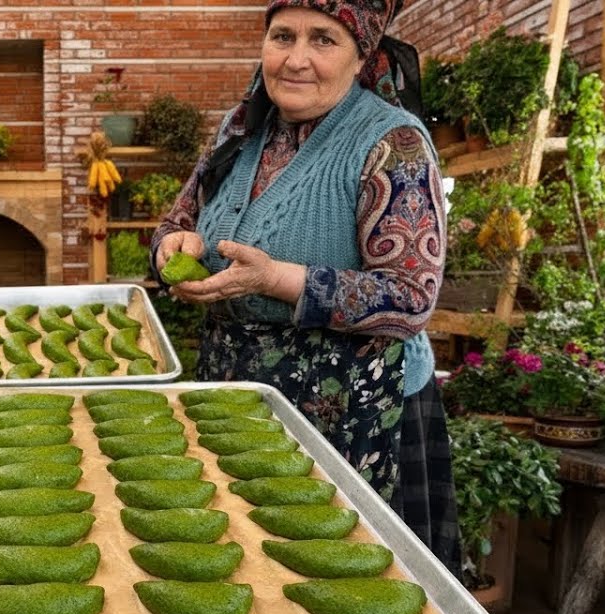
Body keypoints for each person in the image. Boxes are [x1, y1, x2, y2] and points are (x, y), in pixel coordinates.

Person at [150, 0, 461, 577]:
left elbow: (410, 298)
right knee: (235, 570)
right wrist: (174, 247)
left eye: (323, 40)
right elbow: (178, 221)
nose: (296, 60)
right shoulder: (241, 128)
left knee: (338, 582)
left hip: (349, 413)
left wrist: (276, 279)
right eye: (282, 36)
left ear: (362, 54)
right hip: (232, 401)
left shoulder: (393, 142)